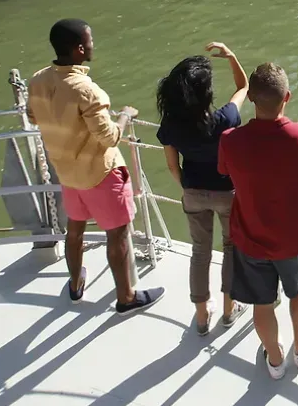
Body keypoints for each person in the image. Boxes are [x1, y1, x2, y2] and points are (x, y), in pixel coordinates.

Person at [27, 18, 164, 316]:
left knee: (74, 230)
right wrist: (125, 115)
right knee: (117, 234)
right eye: (89, 41)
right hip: (100, 174)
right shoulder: (87, 91)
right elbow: (110, 136)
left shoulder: (37, 80)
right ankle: (126, 297)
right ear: (79, 49)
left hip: (67, 173)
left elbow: (34, 116)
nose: (92, 45)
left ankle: (75, 284)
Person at [219, 63, 298, 380]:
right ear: (287, 97)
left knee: (262, 304)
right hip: (295, 241)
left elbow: (223, 172)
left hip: (250, 240)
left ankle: (274, 361)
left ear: (250, 98)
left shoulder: (230, 140)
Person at [156, 41, 248, 336]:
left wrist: (187, 184)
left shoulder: (171, 124)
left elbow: (173, 166)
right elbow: (243, 87)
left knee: (200, 251)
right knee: (231, 248)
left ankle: (200, 314)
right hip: (227, 193)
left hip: (193, 191)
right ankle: (229, 308)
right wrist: (232, 57)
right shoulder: (224, 119)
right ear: (206, 93)